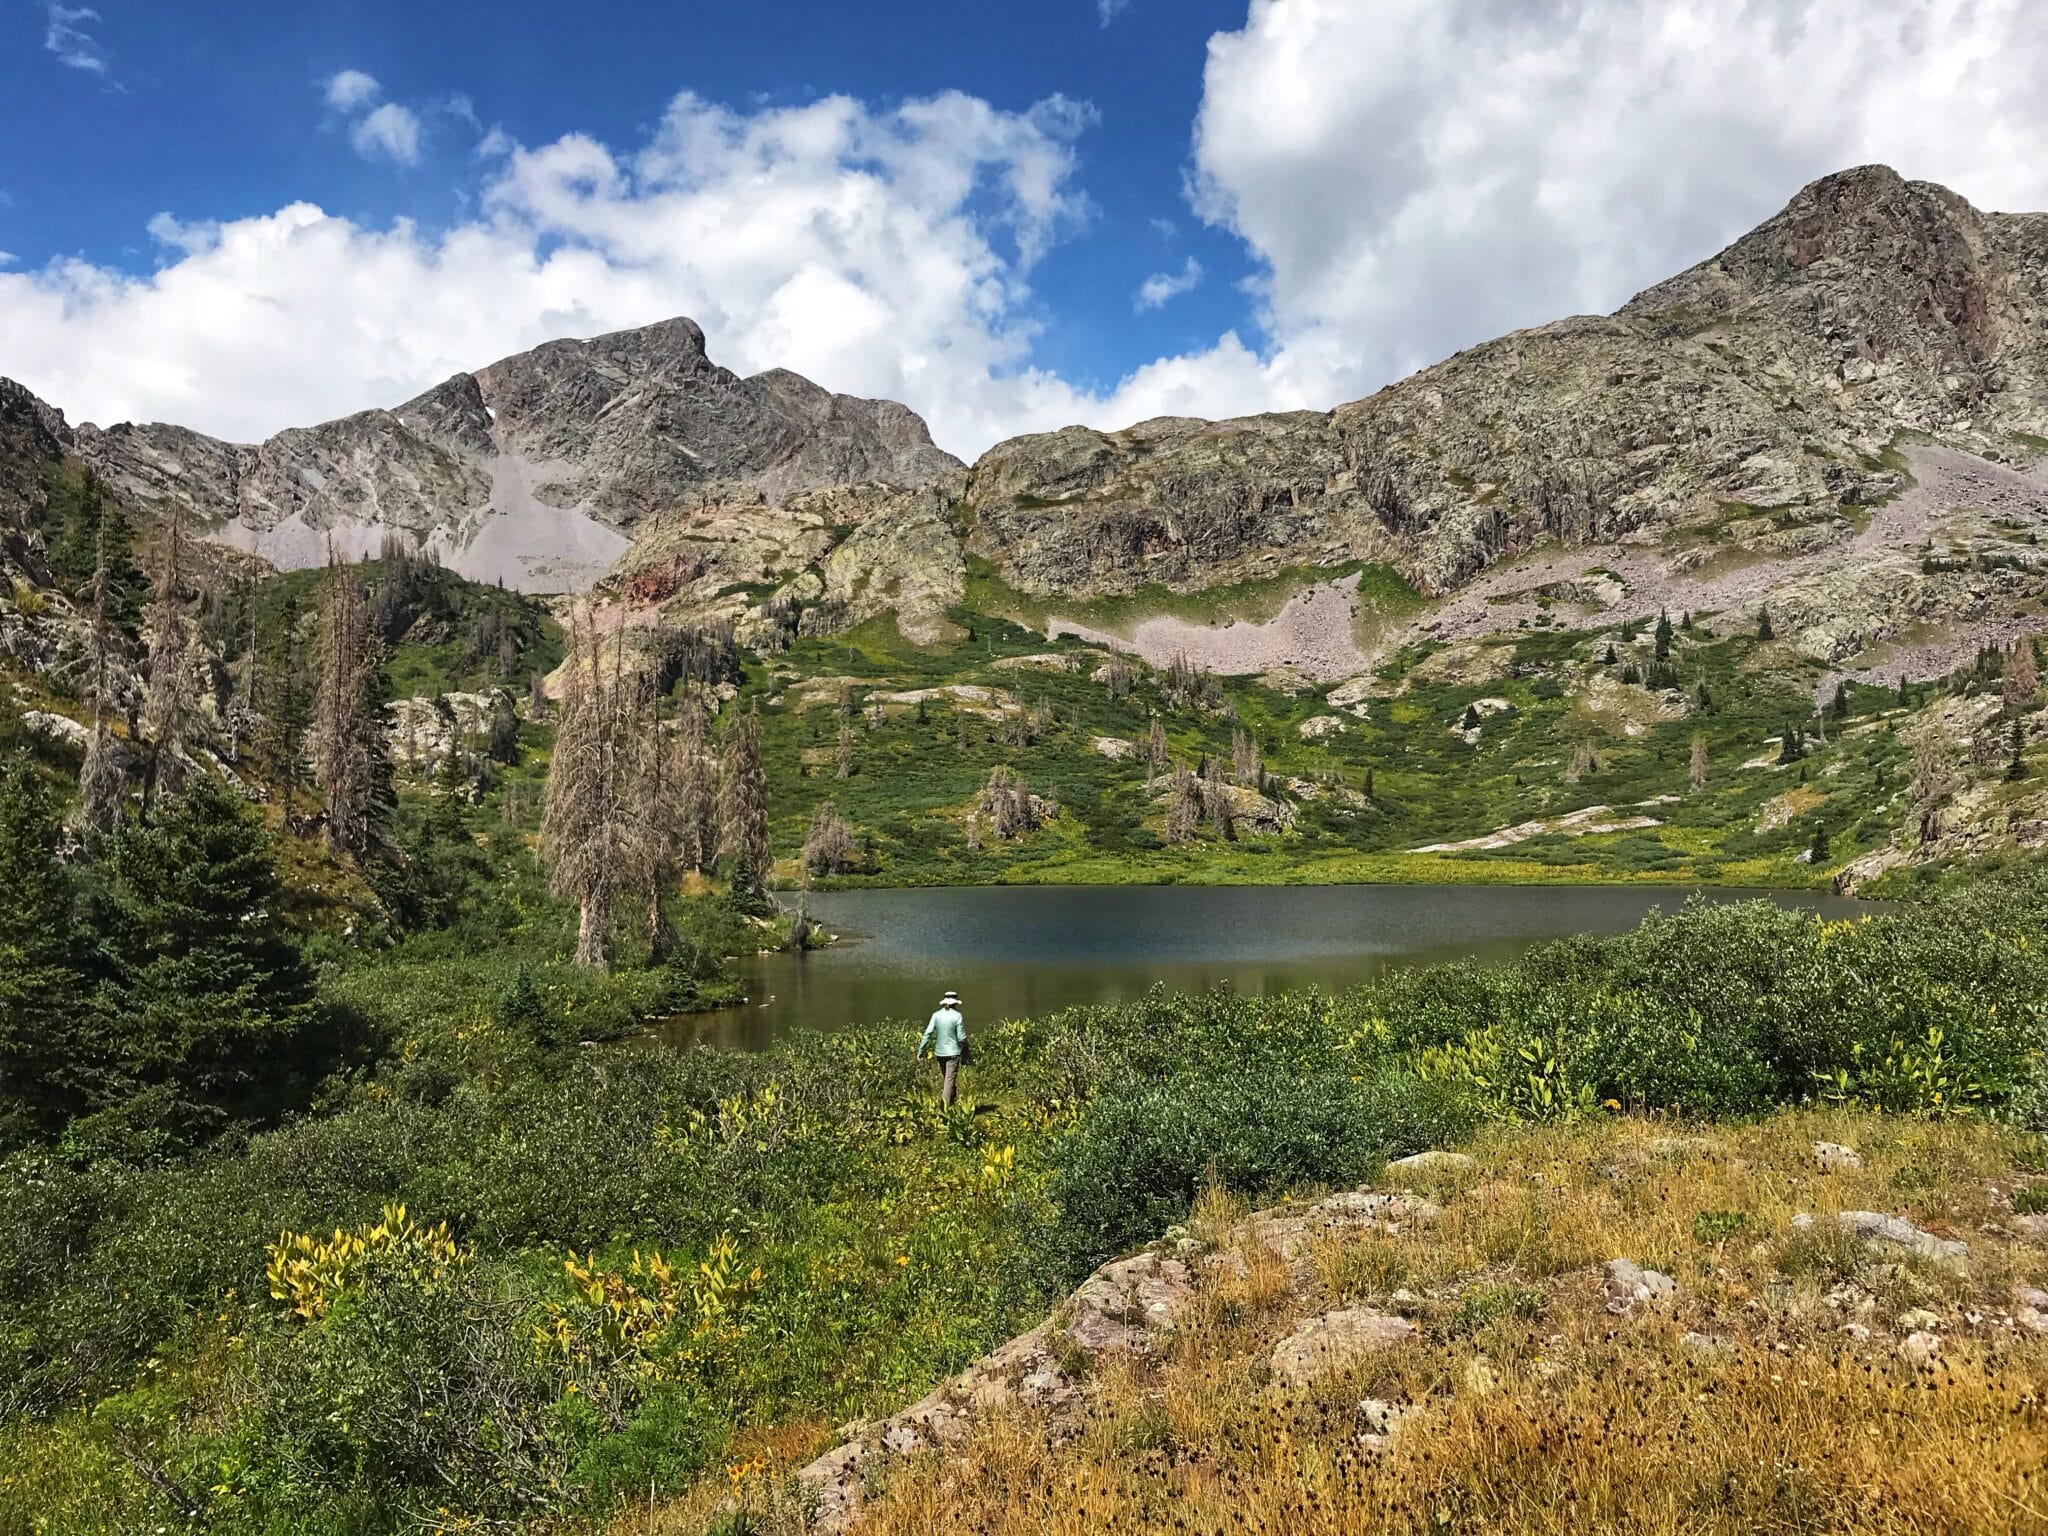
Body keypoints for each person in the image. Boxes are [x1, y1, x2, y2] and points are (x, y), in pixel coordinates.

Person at [917, 989, 967, 1107]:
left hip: (940, 1053)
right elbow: (961, 1038)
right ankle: (944, 1108)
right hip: (953, 1053)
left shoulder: (936, 1015)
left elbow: (927, 1033)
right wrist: (966, 1049)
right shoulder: (957, 1016)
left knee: (948, 1079)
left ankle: (952, 1105)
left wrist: (921, 1050)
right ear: (955, 1003)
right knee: (949, 1081)